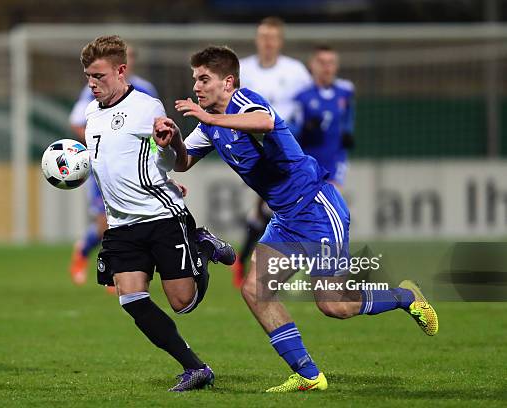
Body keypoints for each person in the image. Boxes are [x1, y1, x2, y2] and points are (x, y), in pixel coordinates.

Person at [153, 45, 438, 393]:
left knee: (333, 305)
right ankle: (308, 374)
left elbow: (265, 121)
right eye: (195, 79)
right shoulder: (211, 124)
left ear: (228, 82)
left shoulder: (243, 102)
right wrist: (175, 141)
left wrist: (209, 118)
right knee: (256, 291)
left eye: (204, 79)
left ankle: (404, 297)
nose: (196, 86)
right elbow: (183, 163)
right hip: (287, 217)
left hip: (317, 208)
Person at [79, 36, 235, 392]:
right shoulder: (90, 113)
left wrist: (172, 143)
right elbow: (111, 163)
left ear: (121, 70)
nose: (92, 83)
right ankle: (196, 368)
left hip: (160, 217)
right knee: (132, 299)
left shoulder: (146, 107)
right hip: (120, 225)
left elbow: (171, 161)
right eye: (88, 75)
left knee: (183, 303)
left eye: (99, 76)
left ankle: (202, 248)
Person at [69, 44, 159, 286]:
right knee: (105, 225)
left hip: (135, 170)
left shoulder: (146, 90)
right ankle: (84, 253)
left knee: (134, 223)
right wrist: (101, 144)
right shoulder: (93, 91)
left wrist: (153, 159)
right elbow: (77, 122)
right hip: (105, 169)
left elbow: (154, 130)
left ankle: (121, 272)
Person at [233, 16, 313, 287]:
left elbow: (307, 107)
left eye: (272, 37)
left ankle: (245, 262)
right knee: (272, 208)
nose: (267, 42)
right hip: (253, 151)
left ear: (280, 41)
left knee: (270, 208)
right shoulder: (243, 69)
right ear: (257, 40)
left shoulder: (296, 71)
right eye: (263, 37)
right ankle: (257, 264)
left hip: (287, 151)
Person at [294, 45, 355, 188]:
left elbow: (348, 117)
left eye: (331, 62)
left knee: (332, 200)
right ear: (312, 65)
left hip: (335, 159)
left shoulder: (345, 92)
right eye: (321, 62)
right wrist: (305, 130)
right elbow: (293, 129)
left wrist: (348, 133)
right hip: (308, 160)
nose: (326, 67)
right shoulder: (302, 96)